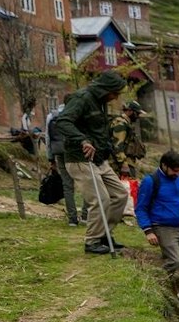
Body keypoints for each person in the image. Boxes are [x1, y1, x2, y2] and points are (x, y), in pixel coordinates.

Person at [50, 71, 130, 254]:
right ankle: (92, 241)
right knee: (100, 199)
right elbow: (62, 122)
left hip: (99, 159)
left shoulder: (100, 102)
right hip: (80, 158)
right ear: (105, 90)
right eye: (115, 92)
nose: (116, 97)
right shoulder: (82, 98)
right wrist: (82, 140)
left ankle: (104, 235)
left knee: (120, 195)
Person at [138, 150, 179, 309]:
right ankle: (155, 284)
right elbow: (141, 208)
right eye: (175, 170)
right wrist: (148, 231)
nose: (178, 174)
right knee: (175, 261)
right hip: (163, 227)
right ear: (164, 165)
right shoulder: (151, 181)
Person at [43, 98, 81, 226]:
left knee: (67, 185)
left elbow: (47, 138)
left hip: (59, 151)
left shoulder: (51, 116)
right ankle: (86, 215)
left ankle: (72, 219)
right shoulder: (76, 112)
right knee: (86, 183)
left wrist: (50, 158)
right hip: (76, 152)